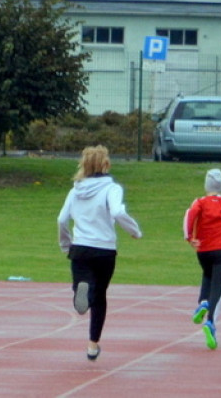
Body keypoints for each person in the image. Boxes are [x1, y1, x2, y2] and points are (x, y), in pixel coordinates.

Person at [57, 145, 142, 361]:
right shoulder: (111, 189)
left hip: (81, 248)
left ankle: (82, 289)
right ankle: (92, 345)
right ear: (106, 164)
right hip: (104, 249)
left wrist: (66, 245)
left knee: (83, 285)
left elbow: (61, 220)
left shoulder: (75, 190)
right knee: (100, 298)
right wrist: (134, 230)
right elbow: (117, 212)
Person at [184, 168, 221, 350]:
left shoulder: (199, 202)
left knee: (207, 274)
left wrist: (189, 237)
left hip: (203, 250)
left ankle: (203, 302)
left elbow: (189, 216)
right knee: (219, 287)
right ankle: (210, 321)